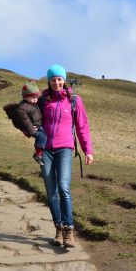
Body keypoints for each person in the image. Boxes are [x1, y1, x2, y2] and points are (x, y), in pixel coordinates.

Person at [39, 64, 94, 248]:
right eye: (53, 79)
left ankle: (69, 231)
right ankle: (58, 229)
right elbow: (30, 120)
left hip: (64, 149)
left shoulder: (74, 101)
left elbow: (82, 127)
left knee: (63, 187)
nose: (57, 82)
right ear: (49, 81)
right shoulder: (43, 101)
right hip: (45, 150)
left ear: (64, 80)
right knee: (51, 192)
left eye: (59, 79)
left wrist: (88, 150)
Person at [14, 81, 47, 165]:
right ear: (25, 97)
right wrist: (32, 131)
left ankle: (40, 151)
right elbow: (26, 121)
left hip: (38, 125)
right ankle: (38, 154)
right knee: (42, 136)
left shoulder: (32, 104)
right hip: (33, 128)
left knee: (44, 135)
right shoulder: (22, 108)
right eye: (33, 97)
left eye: (36, 97)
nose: (36, 100)